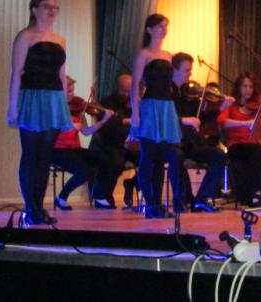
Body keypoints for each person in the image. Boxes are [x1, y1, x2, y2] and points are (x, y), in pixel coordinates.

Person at [7, 0, 70, 225]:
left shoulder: (60, 40)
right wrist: (13, 106)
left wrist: (64, 104)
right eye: (47, 7)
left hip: (53, 99)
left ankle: (39, 207)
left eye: (55, 7)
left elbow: (62, 75)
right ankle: (30, 207)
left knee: (45, 156)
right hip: (32, 97)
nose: (52, 11)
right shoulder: (25, 36)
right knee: (31, 153)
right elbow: (16, 73)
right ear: (34, 9)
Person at [129, 14, 196, 218]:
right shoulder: (143, 54)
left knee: (160, 160)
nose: (164, 29)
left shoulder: (168, 55)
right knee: (148, 158)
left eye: (166, 26)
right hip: (150, 106)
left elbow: (172, 82)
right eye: (160, 26)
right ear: (149, 29)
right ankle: (150, 204)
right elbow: (135, 85)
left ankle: (158, 204)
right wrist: (135, 112)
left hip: (166, 107)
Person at [171, 53, 228, 213]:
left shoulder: (188, 93)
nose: (190, 74)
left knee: (218, 155)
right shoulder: (167, 92)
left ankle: (202, 199)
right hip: (173, 141)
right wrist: (184, 120)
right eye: (186, 70)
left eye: (190, 70)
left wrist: (220, 108)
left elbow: (200, 119)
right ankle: (181, 199)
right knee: (176, 156)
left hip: (190, 142)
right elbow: (166, 118)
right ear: (174, 70)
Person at [52, 77, 114, 210]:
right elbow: (53, 128)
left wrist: (104, 120)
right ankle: (61, 198)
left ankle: (99, 196)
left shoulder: (77, 109)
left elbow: (86, 131)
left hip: (75, 149)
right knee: (85, 171)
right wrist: (71, 125)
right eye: (69, 91)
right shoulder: (53, 108)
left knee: (105, 160)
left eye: (73, 91)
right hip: (58, 150)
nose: (72, 94)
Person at [217, 73, 261, 206]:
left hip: (254, 145)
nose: (248, 90)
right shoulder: (232, 105)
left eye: (251, 87)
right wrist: (244, 123)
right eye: (244, 86)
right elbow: (222, 121)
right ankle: (255, 193)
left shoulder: (256, 107)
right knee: (258, 151)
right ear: (238, 88)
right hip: (236, 145)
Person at [89, 73, 137, 208]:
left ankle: (131, 184)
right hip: (111, 143)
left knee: (149, 160)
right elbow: (105, 126)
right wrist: (123, 121)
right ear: (118, 87)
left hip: (131, 145)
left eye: (129, 91)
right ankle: (102, 195)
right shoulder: (106, 102)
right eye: (124, 91)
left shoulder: (134, 102)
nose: (127, 94)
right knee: (116, 162)